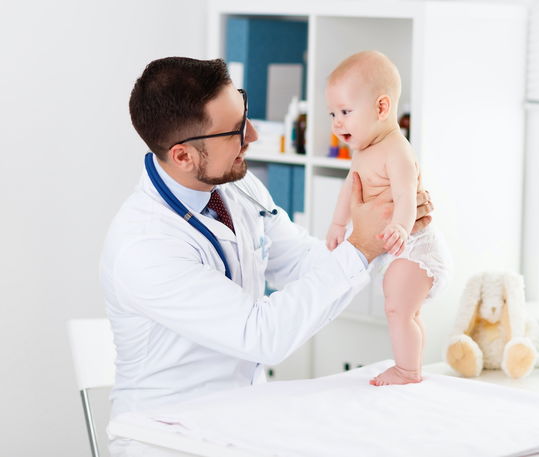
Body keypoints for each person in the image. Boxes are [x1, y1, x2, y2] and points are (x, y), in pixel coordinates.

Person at [100, 56, 433, 455]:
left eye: (246, 113)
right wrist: (362, 246)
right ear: (183, 156)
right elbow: (262, 336)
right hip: (168, 437)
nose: (254, 135)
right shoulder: (144, 247)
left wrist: (386, 231)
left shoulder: (237, 187)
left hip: (243, 420)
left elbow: (303, 262)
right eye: (235, 131)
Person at [325, 51, 450, 386]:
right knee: (404, 310)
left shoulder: (397, 149)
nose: (337, 122)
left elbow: (410, 197)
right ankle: (412, 367)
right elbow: (350, 189)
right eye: (333, 114)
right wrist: (339, 224)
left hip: (413, 245)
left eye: (346, 112)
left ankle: (408, 370)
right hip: (394, 245)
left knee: (398, 310)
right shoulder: (364, 150)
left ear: (381, 108)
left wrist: (399, 225)